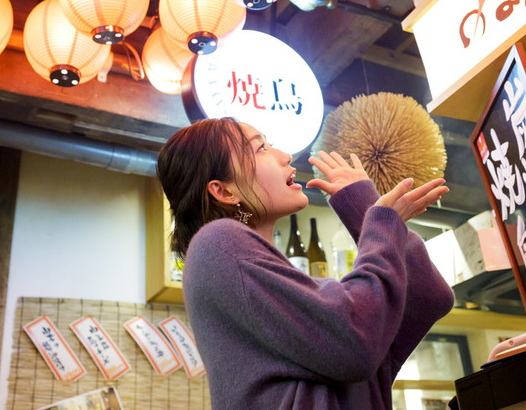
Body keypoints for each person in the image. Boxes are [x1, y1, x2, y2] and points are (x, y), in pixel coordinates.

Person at [156, 117, 455, 409]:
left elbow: (428, 298)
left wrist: (364, 208)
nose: (285, 155)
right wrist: (379, 223)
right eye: (260, 148)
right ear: (224, 191)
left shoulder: (277, 283)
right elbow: (356, 341)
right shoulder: (217, 242)